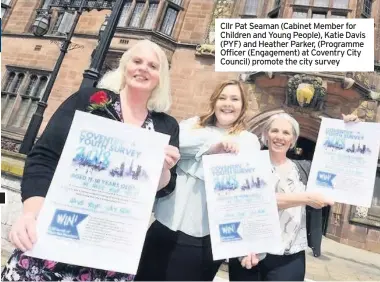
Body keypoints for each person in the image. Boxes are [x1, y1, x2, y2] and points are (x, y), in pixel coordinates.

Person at [1, 39, 180, 281]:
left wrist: (164, 169)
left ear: (161, 77)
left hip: (109, 250)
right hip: (56, 236)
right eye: (137, 61)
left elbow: (164, 188)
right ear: (125, 65)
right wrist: (30, 214)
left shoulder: (165, 126)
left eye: (153, 65)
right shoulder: (89, 101)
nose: (143, 68)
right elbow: (44, 156)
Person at [134, 79, 262, 281]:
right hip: (166, 226)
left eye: (235, 99)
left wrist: (250, 243)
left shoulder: (248, 142)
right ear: (214, 101)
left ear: (243, 106)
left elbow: (250, 197)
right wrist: (212, 149)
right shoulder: (192, 125)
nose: (228, 103)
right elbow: (173, 144)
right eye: (223, 98)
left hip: (207, 240)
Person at [228, 113, 360, 281]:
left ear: (293, 140)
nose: (279, 137)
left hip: (290, 255)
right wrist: (307, 198)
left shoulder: (304, 169)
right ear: (265, 135)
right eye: (274, 131)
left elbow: (341, 165)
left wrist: (349, 129)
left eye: (286, 133)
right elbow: (259, 200)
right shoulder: (248, 165)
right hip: (249, 252)